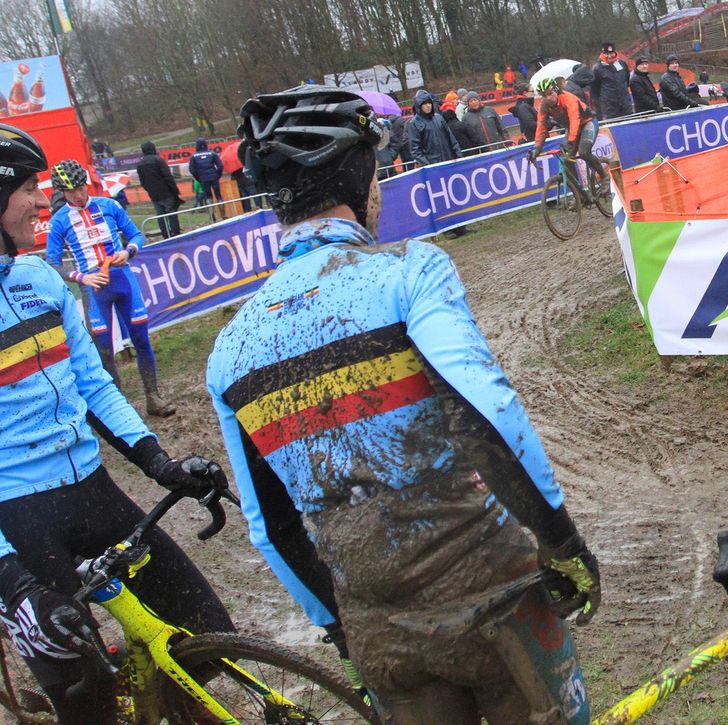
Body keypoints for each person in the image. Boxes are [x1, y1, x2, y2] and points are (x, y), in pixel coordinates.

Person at [212, 87, 598, 723]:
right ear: (358, 177)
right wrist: (561, 539)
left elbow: (270, 528)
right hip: (489, 590)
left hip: (377, 627)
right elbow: (485, 413)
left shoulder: (228, 351)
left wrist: (342, 631)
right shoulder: (409, 271)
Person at [0, 124, 234, 724]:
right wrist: (11, 578)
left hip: (92, 490)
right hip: (16, 518)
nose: (41, 201)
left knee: (206, 632)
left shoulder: (39, 279)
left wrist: (159, 462)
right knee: (87, 702)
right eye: (27, 189)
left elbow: (94, 385)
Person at [45, 161, 176, 418]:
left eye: (80, 188)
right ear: (62, 192)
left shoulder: (109, 205)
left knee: (141, 340)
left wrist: (128, 252)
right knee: (104, 351)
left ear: (86, 184)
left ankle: (153, 397)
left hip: (123, 280)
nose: (78, 195)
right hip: (94, 290)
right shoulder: (59, 220)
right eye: (71, 192)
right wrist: (82, 277)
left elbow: (136, 235)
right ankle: (119, 409)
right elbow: (53, 263)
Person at [529, 76, 607, 201]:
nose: (547, 98)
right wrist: (537, 148)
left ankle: (604, 176)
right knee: (565, 160)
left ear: (556, 90)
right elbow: (541, 127)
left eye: (549, 93)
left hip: (587, 123)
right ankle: (579, 196)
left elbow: (574, 119)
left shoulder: (568, 98)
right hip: (571, 128)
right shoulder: (544, 106)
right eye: (543, 95)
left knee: (583, 152)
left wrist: (571, 141)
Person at [135, 141, 183, 239]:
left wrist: (150, 190)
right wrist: (175, 190)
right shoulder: (159, 160)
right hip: (166, 192)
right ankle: (176, 233)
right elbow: (168, 176)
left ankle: (166, 235)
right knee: (171, 212)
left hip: (153, 194)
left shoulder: (140, 164)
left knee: (160, 215)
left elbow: (142, 182)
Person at [408, 90, 463, 165]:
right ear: (419, 105)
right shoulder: (414, 123)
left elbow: (451, 138)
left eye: (429, 103)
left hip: (448, 160)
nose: (428, 105)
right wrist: (428, 165)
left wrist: (458, 154)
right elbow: (415, 149)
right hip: (432, 165)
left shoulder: (438, 117)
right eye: (424, 104)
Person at [591, 42, 633, 121]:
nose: (609, 56)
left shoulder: (622, 64)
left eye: (611, 53)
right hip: (609, 107)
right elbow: (595, 89)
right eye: (607, 54)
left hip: (625, 104)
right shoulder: (597, 68)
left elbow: (626, 79)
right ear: (603, 54)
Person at [187, 138, 225, 221]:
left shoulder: (193, 156)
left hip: (203, 178)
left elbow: (191, 169)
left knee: (208, 197)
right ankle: (223, 215)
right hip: (214, 177)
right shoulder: (212, 153)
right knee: (218, 195)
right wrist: (217, 175)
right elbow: (220, 166)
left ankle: (212, 218)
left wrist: (198, 178)